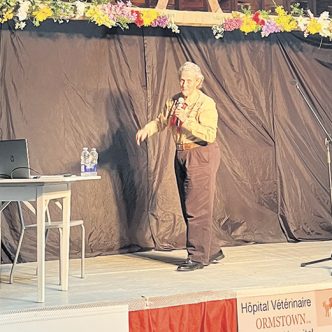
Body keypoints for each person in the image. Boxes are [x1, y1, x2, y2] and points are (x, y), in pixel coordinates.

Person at [136, 61, 224, 271]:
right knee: (188, 206)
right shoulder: (175, 101)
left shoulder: (205, 103)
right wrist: (147, 130)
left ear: (198, 82)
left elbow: (210, 135)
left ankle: (198, 257)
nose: (183, 84)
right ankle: (211, 249)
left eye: (188, 81)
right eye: (181, 80)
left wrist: (187, 121)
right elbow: (161, 121)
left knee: (197, 208)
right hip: (181, 153)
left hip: (201, 153)